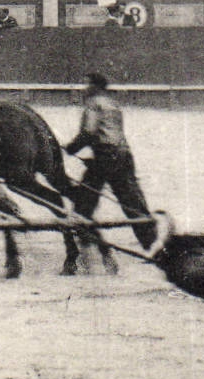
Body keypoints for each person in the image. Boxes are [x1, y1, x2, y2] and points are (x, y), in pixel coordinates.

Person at [63, 72, 158, 251]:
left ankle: (85, 239)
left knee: (85, 199)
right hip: (123, 155)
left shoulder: (93, 104)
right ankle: (150, 240)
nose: (84, 89)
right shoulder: (113, 104)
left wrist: (71, 148)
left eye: (87, 85)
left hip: (105, 157)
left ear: (95, 87)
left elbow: (89, 132)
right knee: (131, 200)